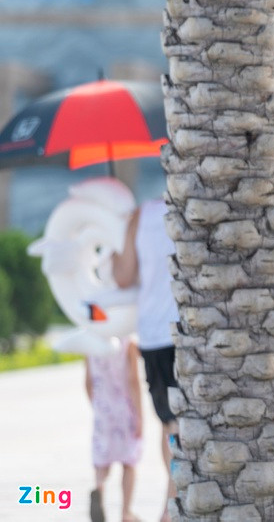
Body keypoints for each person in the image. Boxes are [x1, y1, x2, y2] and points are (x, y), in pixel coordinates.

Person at [112, 198, 180, 522]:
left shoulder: (139, 216)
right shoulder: (188, 206)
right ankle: (171, 504)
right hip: (184, 328)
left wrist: (113, 254)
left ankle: (170, 504)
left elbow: (123, 277)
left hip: (153, 334)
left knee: (169, 424)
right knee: (179, 425)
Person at [85, 335, 143, 522]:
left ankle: (99, 487)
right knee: (129, 461)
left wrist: (97, 405)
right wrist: (139, 415)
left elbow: (88, 382)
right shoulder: (128, 343)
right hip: (125, 410)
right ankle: (126, 512)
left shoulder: (90, 342)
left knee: (102, 460)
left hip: (102, 411)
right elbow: (133, 380)